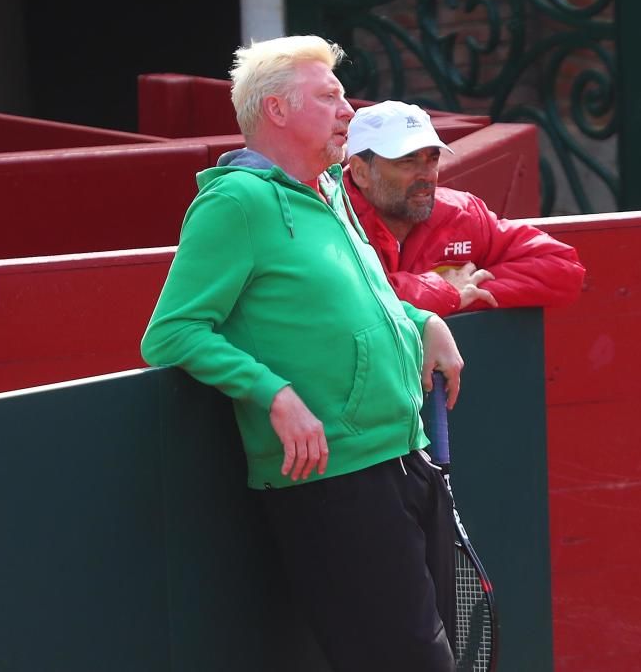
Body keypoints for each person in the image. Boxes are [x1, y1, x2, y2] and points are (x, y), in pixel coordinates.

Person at [140, 36, 463, 672]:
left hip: (402, 455)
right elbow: (173, 331)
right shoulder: (235, 201)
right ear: (278, 111)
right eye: (330, 96)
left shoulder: (332, 191)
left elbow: (352, 300)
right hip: (333, 481)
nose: (349, 110)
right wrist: (274, 393)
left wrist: (422, 320)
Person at [344, 100, 586, 317]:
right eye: (407, 161)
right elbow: (350, 304)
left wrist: (465, 295)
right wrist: (444, 290)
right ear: (361, 172)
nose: (427, 175)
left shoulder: (460, 213)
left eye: (433, 159)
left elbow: (563, 269)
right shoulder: (329, 219)